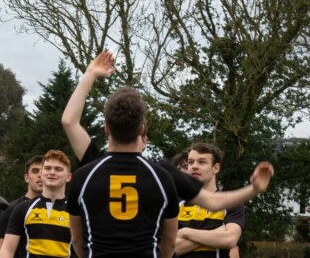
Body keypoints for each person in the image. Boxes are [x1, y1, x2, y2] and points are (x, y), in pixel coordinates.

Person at [61, 51, 275, 212]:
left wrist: (90, 74)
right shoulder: (160, 172)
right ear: (142, 130)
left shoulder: (92, 168)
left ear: (107, 129)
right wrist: (254, 189)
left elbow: (69, 121)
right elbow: (212, 202)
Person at [67, 87, 179, 258]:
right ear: (141, 129)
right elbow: (170, 242)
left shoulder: (83, 177)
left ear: (106, 129)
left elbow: (77, 239)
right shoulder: (162, 178)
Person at [0, 150, 76, 258]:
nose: (52, 172)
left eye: (58, 169)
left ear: (68, 177)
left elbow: (84, 255)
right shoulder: (22, 209)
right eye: (48, 168)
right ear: (42, 173)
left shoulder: (76, 211)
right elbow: (7, 250)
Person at [175, 143, 244, 258]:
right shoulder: (175, 204)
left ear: (216, 168)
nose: (194, 166)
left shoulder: (231, 203)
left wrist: (185, 232)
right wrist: (216, 233)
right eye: (190, 162)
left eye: (202, 162)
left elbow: (229, 239)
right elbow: (169, 249)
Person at [0, 156, 44, 258]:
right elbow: (0, 250)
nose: (40, 175)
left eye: (44, 170)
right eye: (35, 171)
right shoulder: (11, 209)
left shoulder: (58, 209)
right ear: (26, 177)